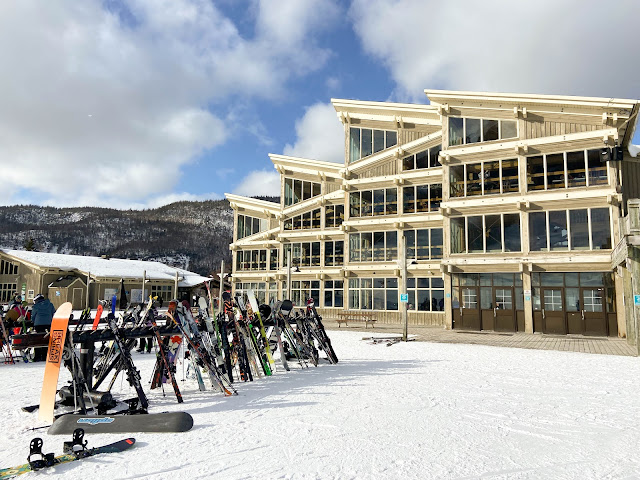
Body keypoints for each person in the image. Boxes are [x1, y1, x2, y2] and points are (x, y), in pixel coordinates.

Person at [31, 294, 55, 362]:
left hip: (38, 325)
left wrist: (33, 321)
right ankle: (46, 355)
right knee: (47, 339)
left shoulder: (36, 306)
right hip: (48, 324)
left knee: (38, 339)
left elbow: (33, 316)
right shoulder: (50, 305)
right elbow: (53, 313)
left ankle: (38, 356)